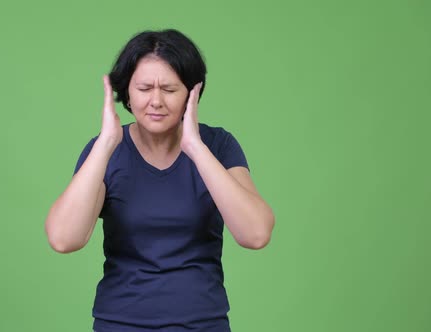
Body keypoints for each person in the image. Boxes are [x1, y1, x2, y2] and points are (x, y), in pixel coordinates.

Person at [45, 29, 275, 332]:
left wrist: (195, 148)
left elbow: (255, 234)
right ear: (126, 91)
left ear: (192, 93)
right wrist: (105, 143)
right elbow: (64, 239)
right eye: (143, 88)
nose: (155, 101)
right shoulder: (105, 151)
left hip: (203, 324)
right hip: (119, 324)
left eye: (169, 89)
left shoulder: (218, 145)